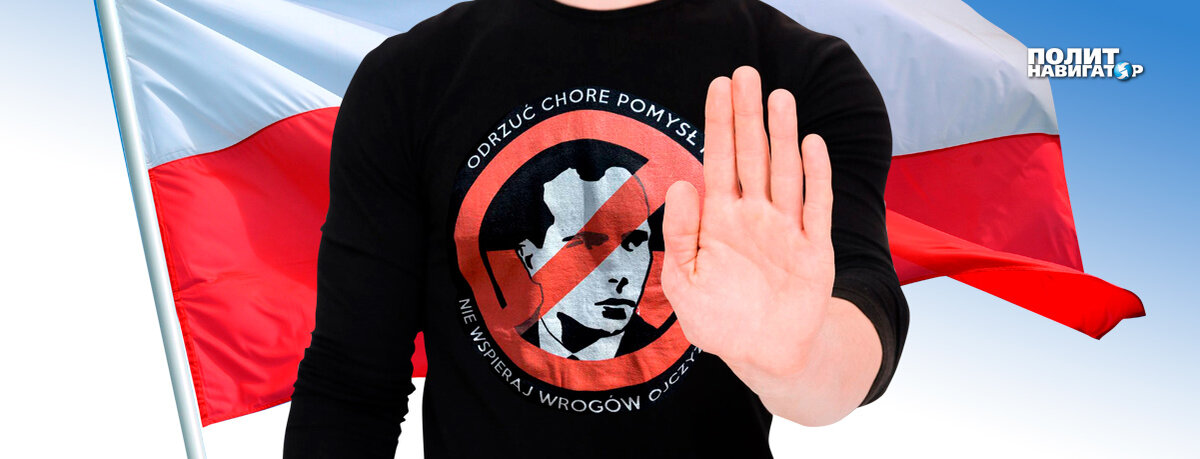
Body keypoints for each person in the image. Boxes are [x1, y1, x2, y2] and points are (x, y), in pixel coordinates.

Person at [284, 0, 910, 457]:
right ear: (530, 253)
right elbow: (350, 387)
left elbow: (863, 324)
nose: (619, 271)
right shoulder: (408, 79)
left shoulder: (802, 78)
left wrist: (792, 356)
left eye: (635, 240)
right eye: (586, 240)